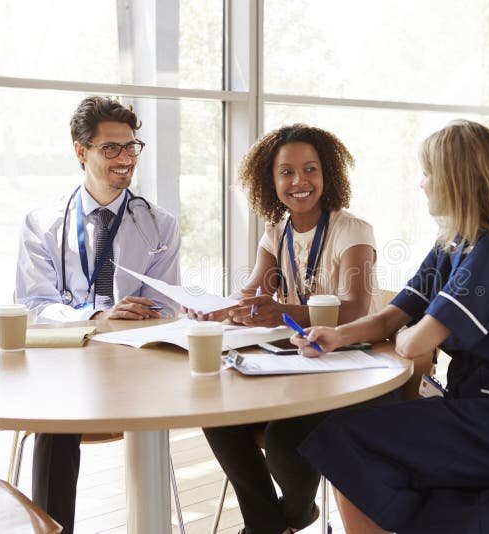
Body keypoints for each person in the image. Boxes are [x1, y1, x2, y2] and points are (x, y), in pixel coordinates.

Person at [292, 120, 489, 533]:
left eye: (428, 174)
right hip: (471, 406)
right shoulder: (453, 243)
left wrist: (408, 336)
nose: (421, 185)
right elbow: (392, 316)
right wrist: (336, 335)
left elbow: (415, 340)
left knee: (344, 440)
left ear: (455, 180)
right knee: (346, 439)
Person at [195, 124, 388, 534]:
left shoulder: (352, 230)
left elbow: (352, 307)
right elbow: (253, 295)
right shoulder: (276, 232)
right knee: (218, 419)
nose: (299, 181)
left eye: (311, 170)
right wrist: (216, 310)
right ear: (271, 180)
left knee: (285, 443)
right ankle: (269, 525)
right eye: (286, 172)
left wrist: (281, 309)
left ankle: (284, 520)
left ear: (328, 175)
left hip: (348, 370)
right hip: (298, 368)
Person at [15, 96, 181, 534]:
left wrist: (121, 321)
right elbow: (33, 307)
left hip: (136, 366)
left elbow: (163, 307)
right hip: (66, 366)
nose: (125, 159)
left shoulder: (159, 224)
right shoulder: (43, 223)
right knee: (56, 415)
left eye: (131, 147)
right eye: (111, 148)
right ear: (80, 151)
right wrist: (97, 316)